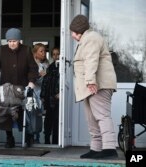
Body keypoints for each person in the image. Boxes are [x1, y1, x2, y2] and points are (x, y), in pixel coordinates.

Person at [69, 14, 118, 159]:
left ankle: (109, 148)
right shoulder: (85, 39)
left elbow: (91, 60)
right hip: (89, 87)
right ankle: (96, 148)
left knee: (102, 116)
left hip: (98, 85)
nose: (72, 35)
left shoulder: (91, 38)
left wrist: (90, 81)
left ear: (79, 31)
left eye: (73, 32)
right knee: (91, 118)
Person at [0, 28, 39, 148]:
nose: (11, 43)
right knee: (5, 112)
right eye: (9, 41)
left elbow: (33, 68)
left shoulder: (26, 50)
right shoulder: (2, 50)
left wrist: (31, 82)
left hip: (22, 86)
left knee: (23, 112)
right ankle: (9, 138)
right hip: (6, 87)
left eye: (14, 41)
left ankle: (28, 136)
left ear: (19, 40)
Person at [40, 47, 60, 144]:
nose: (56, 56)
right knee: (48, 120)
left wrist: (60, 93)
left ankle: (56, 141)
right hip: (49, 97)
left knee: (57, 120)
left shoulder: (63, 67)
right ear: (52, 56)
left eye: (58, 54)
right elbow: (45, 82)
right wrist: (43, 96)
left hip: (58, 97)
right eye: (54, 54)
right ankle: (47, 140)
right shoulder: (50, 67)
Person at [32, 43, 49, 143]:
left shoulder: (44, 65)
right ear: (35, 53)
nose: (44, 53)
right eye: (41, 51)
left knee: (38, 116)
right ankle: (32, 137)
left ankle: (37, 138)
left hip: (40, 94)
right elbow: (30, 79)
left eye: (45, 51)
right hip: (34, 93)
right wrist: (39, 75)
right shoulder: (32, 65)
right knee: (32, 115)